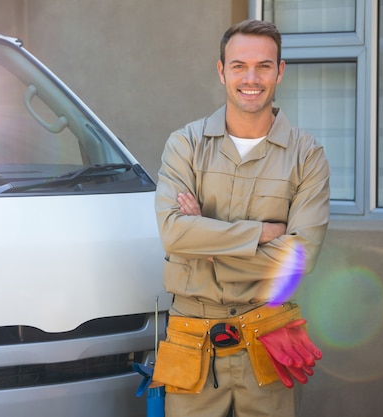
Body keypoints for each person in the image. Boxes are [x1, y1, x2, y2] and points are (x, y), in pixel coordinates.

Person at [153, 19, 330, 417]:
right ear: (221, 71)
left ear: (280, 72)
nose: (251, 78)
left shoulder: (307, 155)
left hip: (268, 336)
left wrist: (207, 244)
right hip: (192, 337)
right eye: (239, 66)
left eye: (264, 66)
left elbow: (301, 259)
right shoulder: (186, 144)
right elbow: (172, 233)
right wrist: (262, 235)